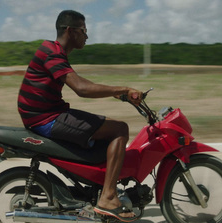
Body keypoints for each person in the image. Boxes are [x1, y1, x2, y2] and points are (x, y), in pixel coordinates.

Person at [17, 10, 142, 222]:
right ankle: (108, 197)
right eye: (84, 31)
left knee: (107, 126)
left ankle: (99, 187)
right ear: (70, 31)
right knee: (120, 129)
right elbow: (82, 88)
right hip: (46, 118)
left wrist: (115, 93)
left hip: (49, 112)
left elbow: (84, 84)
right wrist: (122, 89)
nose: (87, 36)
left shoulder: (55, 51)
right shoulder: (51, 52)